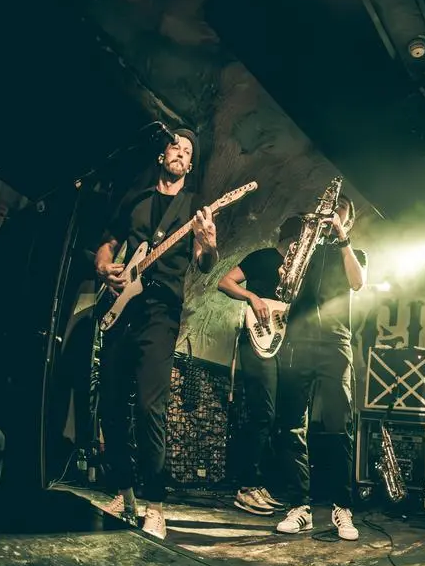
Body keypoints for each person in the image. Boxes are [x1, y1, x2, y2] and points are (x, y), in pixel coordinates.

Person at [93, 129, 219, 539]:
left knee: (151, 408)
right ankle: (124, 493)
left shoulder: (195, 208)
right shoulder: (136, 197)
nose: (180, 153)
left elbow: (203, 263)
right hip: (120, 308)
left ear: (191, 165)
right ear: (162, 155)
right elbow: (109, 241)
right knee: (111, 404)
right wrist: (103, 267)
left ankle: (155, 505)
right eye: (175, 146)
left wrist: (209, 244)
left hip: (160, 314)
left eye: (187, 151)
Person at [270, 196, 367, 541]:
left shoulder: (354, 251)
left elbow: (357, 282)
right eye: (330, 208)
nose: (333, 213)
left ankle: (342, 507)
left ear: (348, 221)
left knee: (340, 424)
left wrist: (341, 237)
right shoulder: (304, 248)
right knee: (291, 424)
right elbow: (286, 288)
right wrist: (287, 269)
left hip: (336, 343)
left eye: (341, 210)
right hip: (298, 340)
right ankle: (299, 507)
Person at [216, 217, 303, 515]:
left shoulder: (300, 271)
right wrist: (253, 297)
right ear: (293, 238)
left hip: (283, 343)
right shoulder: (263, 257)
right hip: (257, 338)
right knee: (261, 413)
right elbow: (224, 281)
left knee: (277, 416)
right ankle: (245, 487)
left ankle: (258, 482)